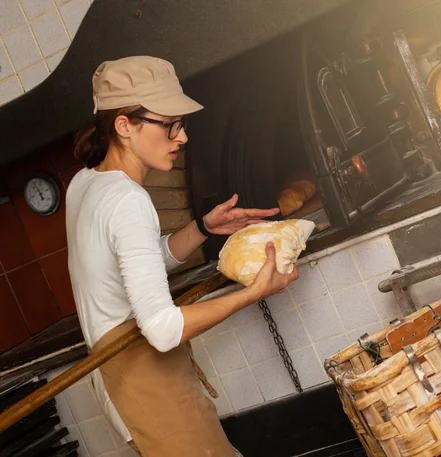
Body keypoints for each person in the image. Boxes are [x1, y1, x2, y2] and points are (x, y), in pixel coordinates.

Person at [65, 56, 299, 457]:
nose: (182, 137)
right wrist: (253, 293)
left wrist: (203, 228)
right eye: (169, 124)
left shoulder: (85, 184)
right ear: (124, 126)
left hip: (119, 377)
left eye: (182, 124)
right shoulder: (128, 200)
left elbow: (130, 268)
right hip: (148, 380)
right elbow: (162, 328)